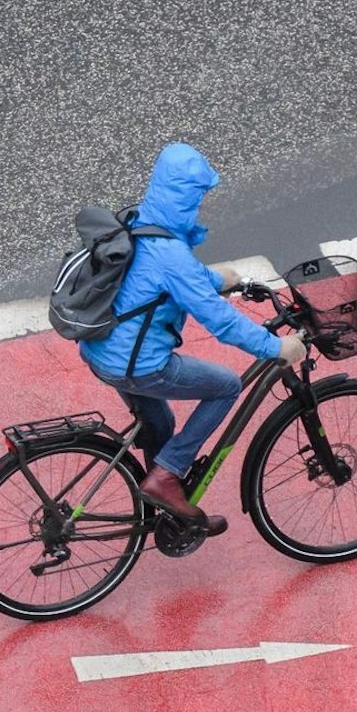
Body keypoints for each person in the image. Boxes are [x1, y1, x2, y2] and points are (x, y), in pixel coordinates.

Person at [80, 142, 307, 536]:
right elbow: (219, 321)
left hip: (100, 351)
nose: (201, 207)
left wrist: (219, 279)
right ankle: (166, 478)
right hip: (139, 364)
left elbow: (165, 279)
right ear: (185, 199)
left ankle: (164, 509)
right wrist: (275, 347)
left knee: (160, 421)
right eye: (198, 199)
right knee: (225, 386)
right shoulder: (172, 255)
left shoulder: (138, 220)